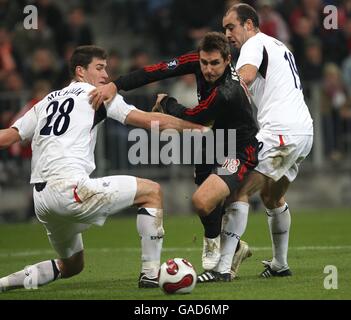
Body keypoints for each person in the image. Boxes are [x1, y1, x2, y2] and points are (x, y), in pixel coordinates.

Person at [0, 45, 206, 292]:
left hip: (42, 200)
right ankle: (150, 274)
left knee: (72, 266)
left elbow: (7, 137)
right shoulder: (96, 94)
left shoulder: (45, 102)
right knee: (151, 192)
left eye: (106, 69)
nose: (106, 75)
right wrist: (198, 128)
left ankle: (3, 284)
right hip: (69, 189)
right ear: (80, 71)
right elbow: (148, 121)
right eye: (99, 68)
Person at [89, 32, 259, 282]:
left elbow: (194, 116)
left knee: (202, 201)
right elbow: (156, 71)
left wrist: (167, 102)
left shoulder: (228, 90)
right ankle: (231, 250)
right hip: (212, 140)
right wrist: (117, 84)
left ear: (227, 60)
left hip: (239, 148)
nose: (208, 69)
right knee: (208, 204)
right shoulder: (196, 61)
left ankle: (216, 257)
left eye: (215, 64)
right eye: (204, 63)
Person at [221, 3, 313, 278]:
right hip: (303, 132)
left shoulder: (253, 44)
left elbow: (244, 80)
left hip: (280, 132)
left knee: (236, 190)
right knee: (272, 196)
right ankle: (280, 264)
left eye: (231, 27)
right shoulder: (280, 46)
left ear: (249, 24)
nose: (226, 34)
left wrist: (211, 108)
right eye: (224, 28)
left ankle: (223, 267)